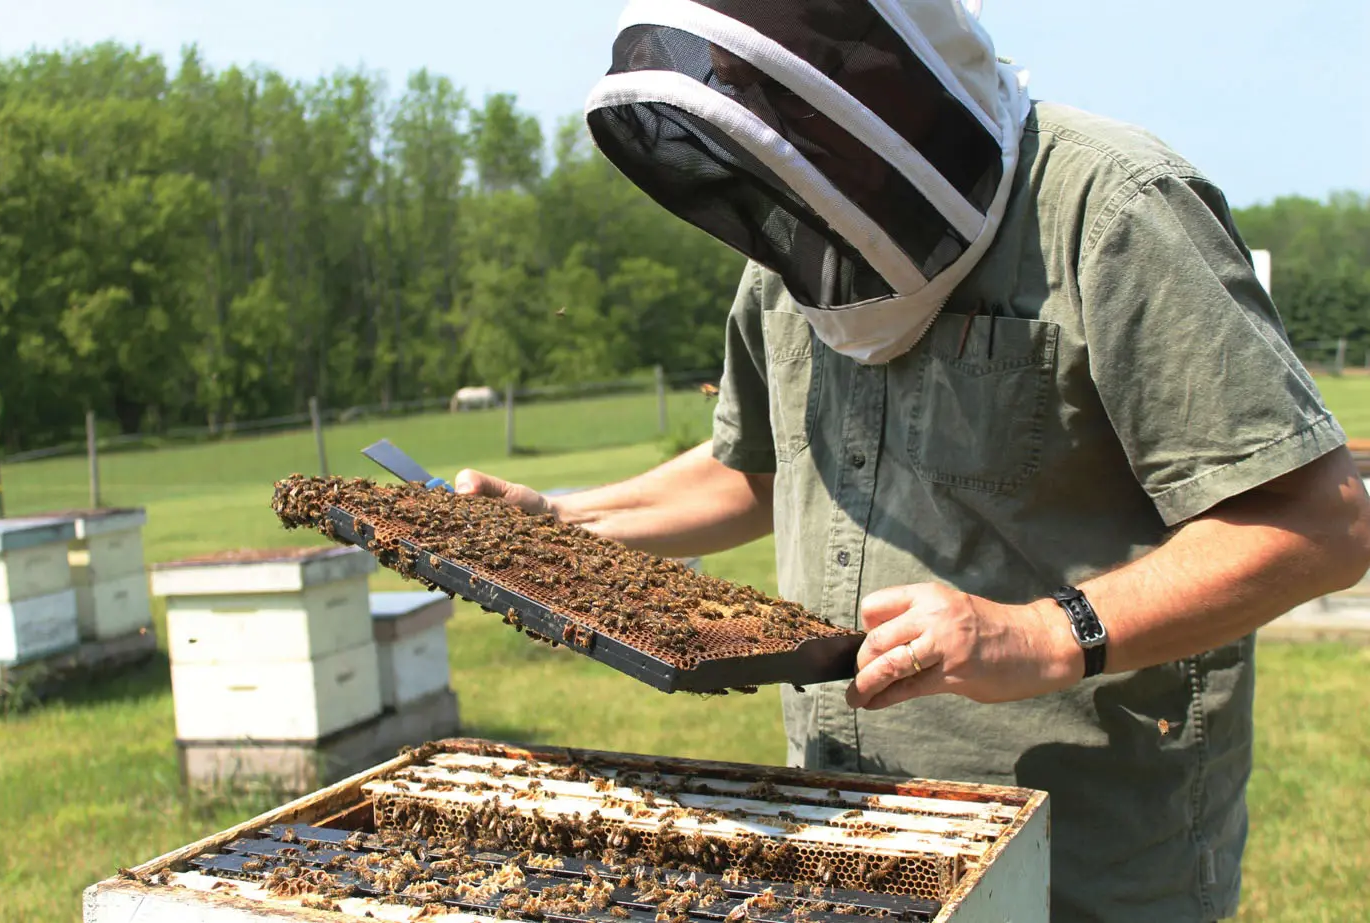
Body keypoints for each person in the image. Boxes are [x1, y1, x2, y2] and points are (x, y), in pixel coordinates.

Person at [455, 2, 1370, 920]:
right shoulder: (795, 242)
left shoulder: (1116, 209)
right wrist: (564, 526)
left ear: (888, 76)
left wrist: (1044, 633)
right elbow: (760, 469)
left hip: (1088, 850)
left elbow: (1320, 522)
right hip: (842, 818)